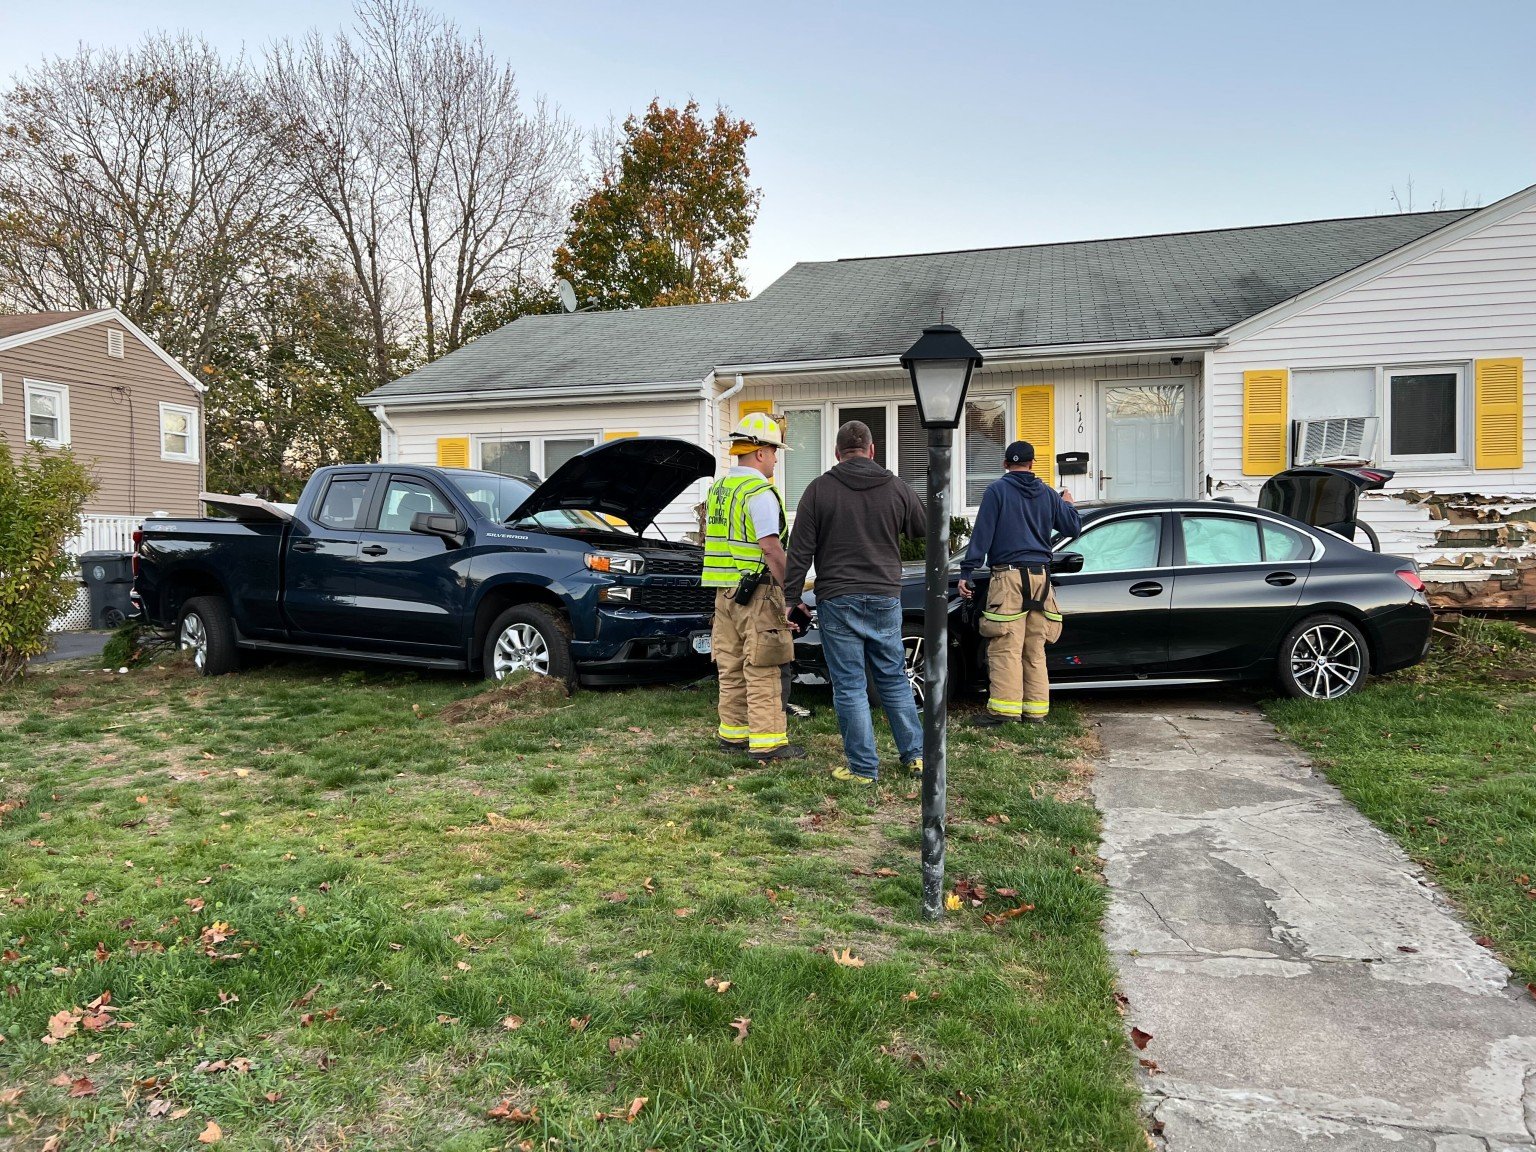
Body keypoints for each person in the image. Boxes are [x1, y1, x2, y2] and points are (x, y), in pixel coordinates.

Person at [784, 420, 925, 786]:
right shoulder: (897, 488)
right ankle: (917, 757)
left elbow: (800, 550)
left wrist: (790, 597)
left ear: (837, 453)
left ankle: (863, 769)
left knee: (849, 685)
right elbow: (923, 528)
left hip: (837, 598)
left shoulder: (818, 491)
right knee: (893, 678)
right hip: (884, 596)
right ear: (872, 450)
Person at [703, 412, 807, 762]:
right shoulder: (759, 491)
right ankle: (768, 743)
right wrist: (792, 594)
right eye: (775, 451)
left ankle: (733, 735)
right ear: (760, 452)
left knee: (730, 667)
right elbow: (770, 547)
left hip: (724, 593)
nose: (777, 458)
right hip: (757, 593)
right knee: (764, 666)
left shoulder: (719, 489)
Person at [958, 440, 1080, 726]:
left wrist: (967, 572)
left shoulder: (997, 491)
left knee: (1005, 645)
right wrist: (1068, 505)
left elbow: (982, 536)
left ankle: (1004, 712)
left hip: (1009, 577)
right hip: (1041, 578)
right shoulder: (1049, 494)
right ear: (1032, 464)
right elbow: (1073, 527)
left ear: (1005, 464)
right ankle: (1036, 713)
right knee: (1034, 647)